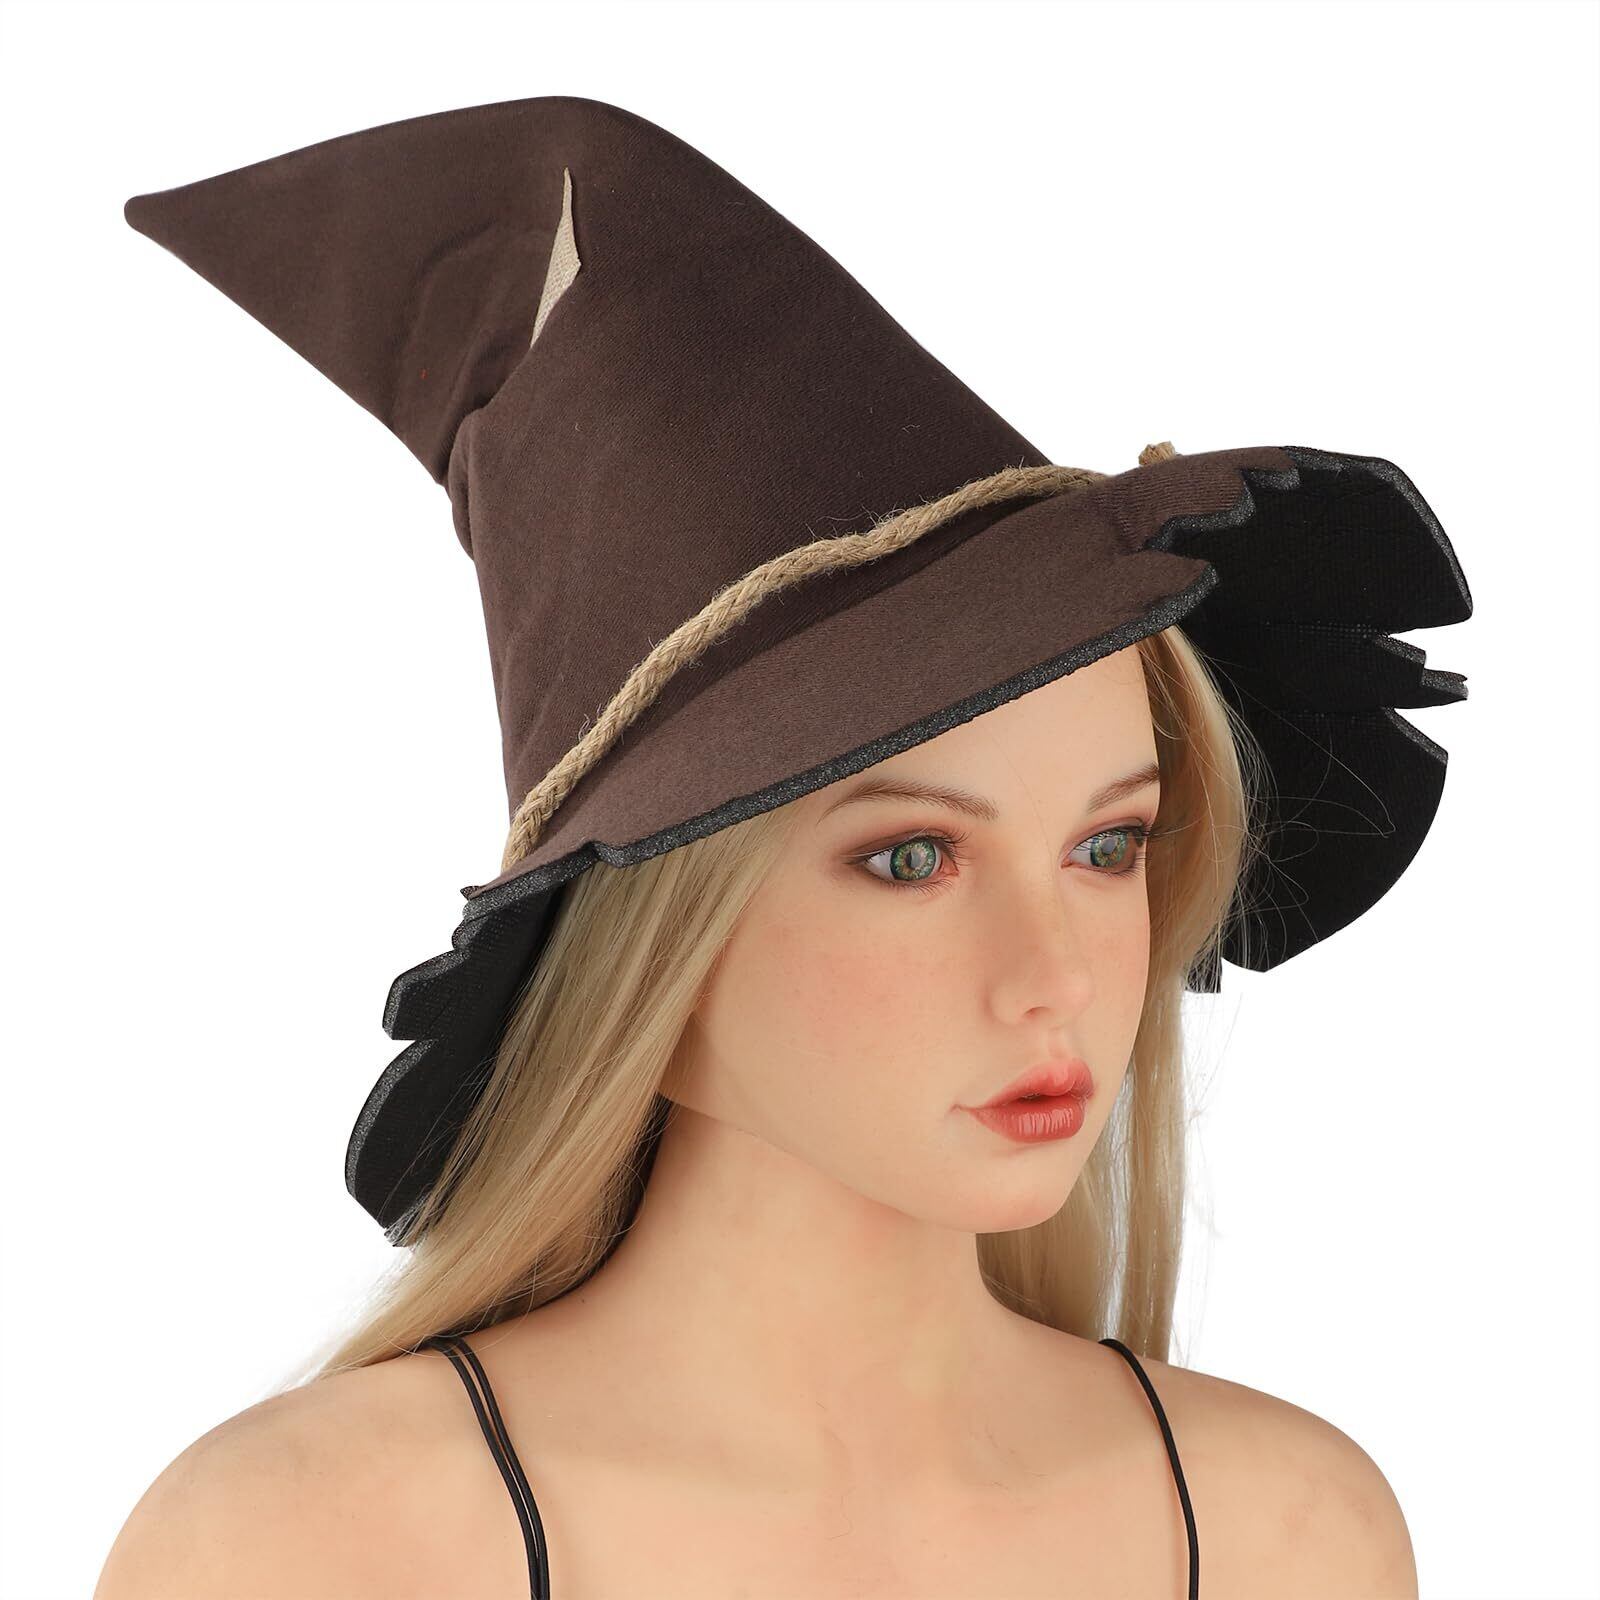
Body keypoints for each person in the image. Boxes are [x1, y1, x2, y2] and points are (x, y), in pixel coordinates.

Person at [97, 93, 1466, 1598]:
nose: (1059, 980)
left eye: (1108, 846)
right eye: (912, 859)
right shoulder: (307, 1549)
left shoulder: (1289, 1535)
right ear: (651, 940)